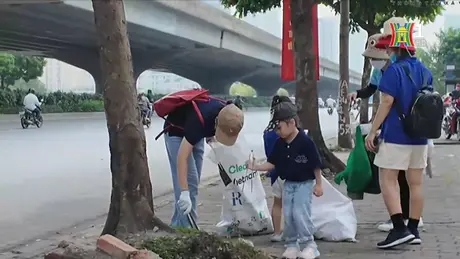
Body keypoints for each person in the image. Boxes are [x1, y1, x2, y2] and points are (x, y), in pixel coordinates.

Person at [364, 23, 432, 248]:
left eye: (390, 48)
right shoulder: (424, 70)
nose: (388, 52)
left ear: (395, 48)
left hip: (396, 136)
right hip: (420, 136)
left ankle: (399, 228)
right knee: (415, 182)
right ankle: (413, 229)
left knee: (388, 179)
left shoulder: (393, 71)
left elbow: (386, 101)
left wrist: (373, 131)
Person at [247, 101, 323, 259]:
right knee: (288, 214)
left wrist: (319, 184)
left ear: (291, 123)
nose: (277, 131)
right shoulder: (279, 143)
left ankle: (309, 244)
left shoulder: (305, 142)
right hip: (288, 183)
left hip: (304, 183)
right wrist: (256, 166)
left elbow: (316, 164)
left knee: (300, 213)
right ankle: (291, 244)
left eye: (279, 127)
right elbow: (271, 163)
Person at [165, 98, 244, 227]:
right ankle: (189, 230)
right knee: (189, 184)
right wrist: (184, 192)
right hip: (176, 132)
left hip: (196, 134)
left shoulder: (228, 113)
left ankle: (177, 225)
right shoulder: (199, 122)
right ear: (216, 123)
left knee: (194, 183)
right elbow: (181, 157)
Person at [262, 95, 293, 242]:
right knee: (294, 204)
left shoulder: (268, 132)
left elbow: (269, 155)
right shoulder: (290, 131)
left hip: (275, 173)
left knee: (277, 203)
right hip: (291, 174)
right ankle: (292, 231)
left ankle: (276, 233)